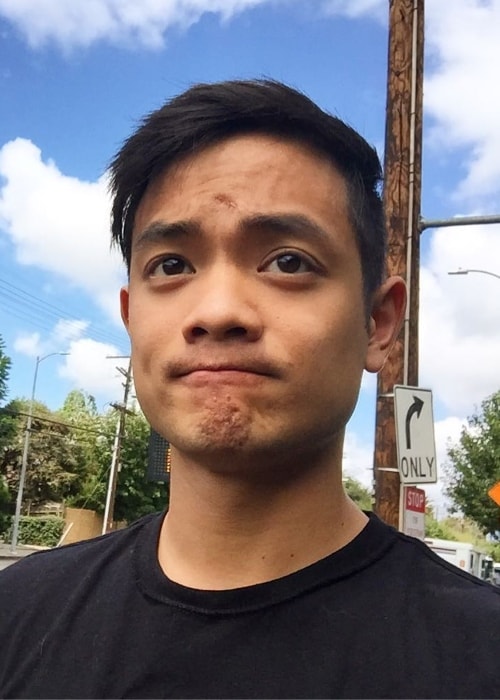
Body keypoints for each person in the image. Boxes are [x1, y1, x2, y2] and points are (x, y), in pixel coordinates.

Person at [0, 79, 498, 700]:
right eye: (172, 265)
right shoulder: (16, 615)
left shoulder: (477, 656)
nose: (217, 311)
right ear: (131, 319)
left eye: (288, 261)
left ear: (378, 324)